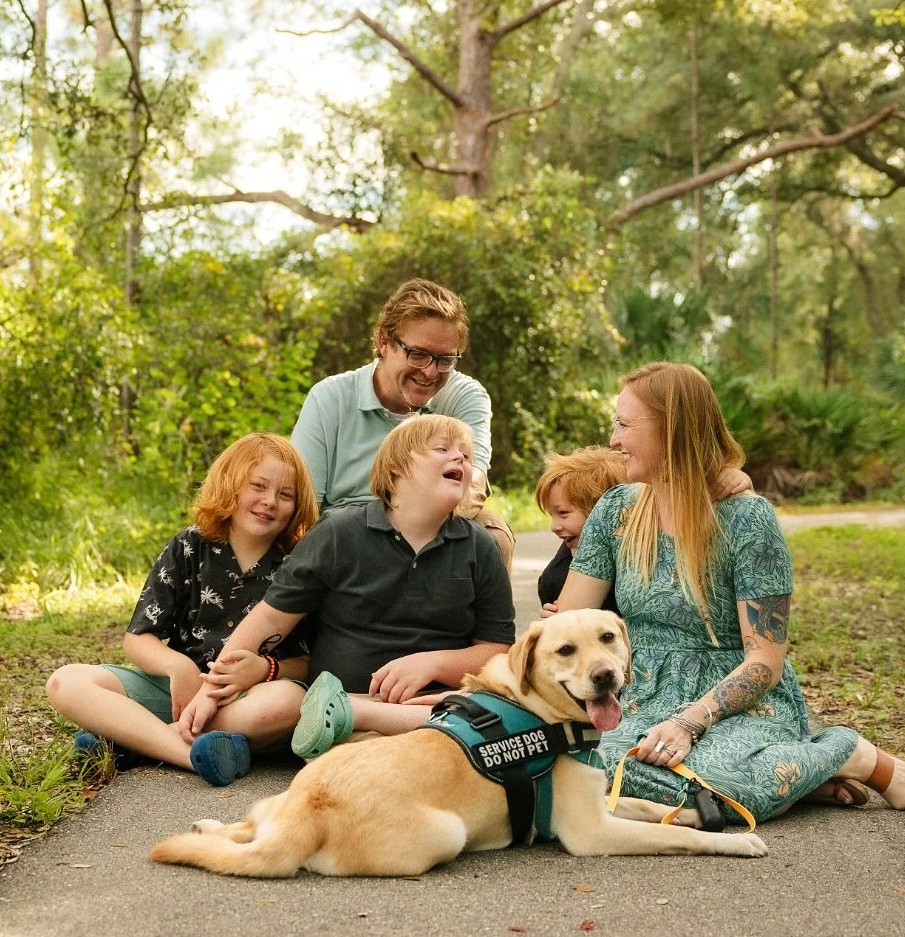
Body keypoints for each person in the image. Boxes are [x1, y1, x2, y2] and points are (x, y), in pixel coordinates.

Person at [557, 362, 905, 823]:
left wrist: (690, 721)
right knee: (589, 769)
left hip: (737, 698)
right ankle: (799, 776)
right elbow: (569, 620)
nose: (615, 440)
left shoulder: (748, 520)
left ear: (672, 427)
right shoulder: (616, 510)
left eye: (624, 424)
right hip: (639, 692)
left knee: (721, 788)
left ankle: (848, 753)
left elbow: (765, 660)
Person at [178, 415, 515, 765]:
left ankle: (362, 716)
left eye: (465, 453)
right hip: (346, 707)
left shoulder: (480, 547)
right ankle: (357, 717)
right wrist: (208, 691)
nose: (459, 458)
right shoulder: (340, 533)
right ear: (395, 470)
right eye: (442, 449)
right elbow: (268, 620)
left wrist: (431, 663)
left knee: (500, 717)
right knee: (413, 756)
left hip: (435, 702)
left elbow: (495, 650)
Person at [45, 433, 317, 786]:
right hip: (178, 692)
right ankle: (190, 753)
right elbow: (138, 638)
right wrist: (177, 666)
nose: (269, 502)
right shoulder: (188, 546)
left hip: (246, 702)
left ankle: (137, 741)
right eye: (258, 486)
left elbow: (311, 659)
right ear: (230, 485)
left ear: (297, 505)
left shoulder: (300, 562)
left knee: (289, 702)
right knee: (66, 682)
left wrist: (265, 669)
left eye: (285, 495)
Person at [291, 278, 515, 568]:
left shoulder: (465, 396)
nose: (431, 372)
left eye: (445, 359)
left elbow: (471, 488)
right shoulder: (330, 398)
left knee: (493, 535)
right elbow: (304, 510)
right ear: (384, 342)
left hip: (437, 526)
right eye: (418, 354)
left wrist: (409, 538)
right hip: (347, 531)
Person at [535, 447, 626, 615]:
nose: (554, 527)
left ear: (602, 509)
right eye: (552, 515)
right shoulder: (556, 578)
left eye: (563, 513)